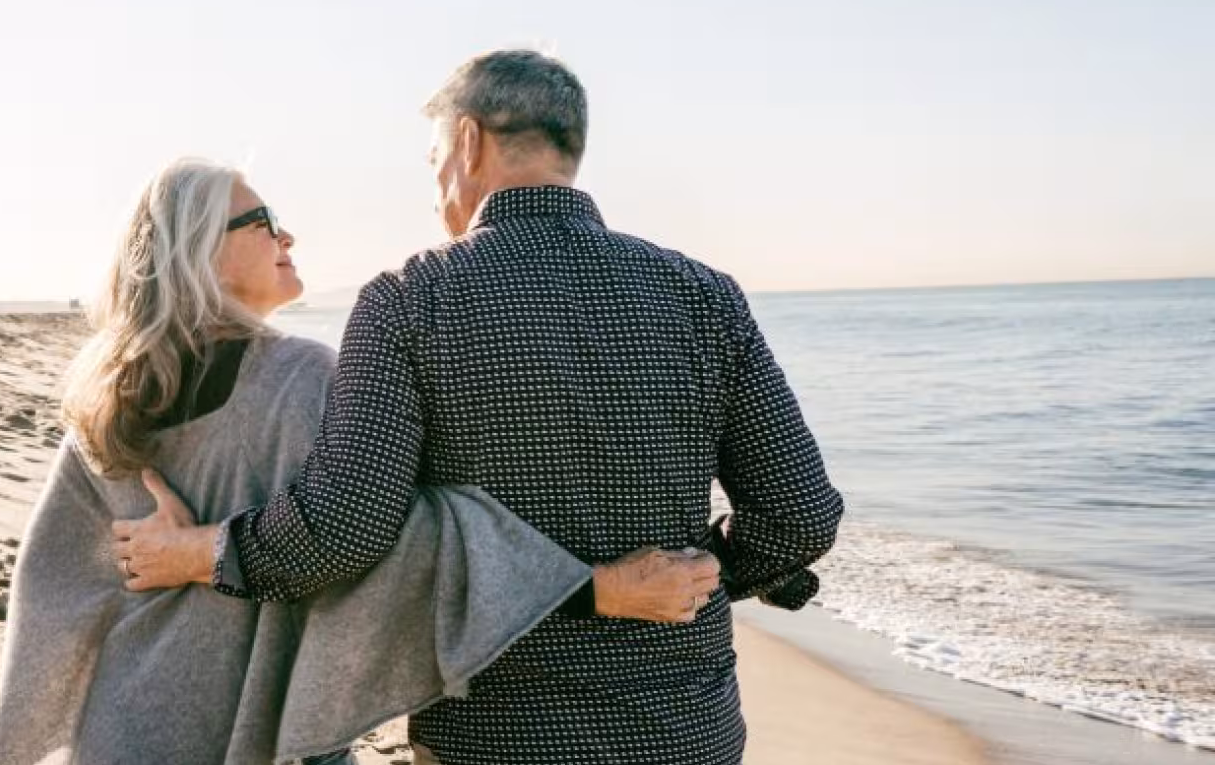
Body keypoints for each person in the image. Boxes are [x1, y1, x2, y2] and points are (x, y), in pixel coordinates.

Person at [114, 50, 846, 765]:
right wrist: (706, 571)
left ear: (466, 142)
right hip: (687, 730)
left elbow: (345, 529)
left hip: (497, 733)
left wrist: (204, 552)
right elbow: (802, 515)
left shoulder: (408, 300)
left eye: (433, 159)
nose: (435, 189)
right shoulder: (704, 294)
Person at [0, 158, 720, 764]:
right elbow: (392, 541)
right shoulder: (303, 378)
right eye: (261, 222)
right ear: (202, 249)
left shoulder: (108, 396)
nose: (286, 234)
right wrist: (592, 589)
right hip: (253, 723)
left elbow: (50, 590)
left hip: (125, 723)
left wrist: (15, 747)